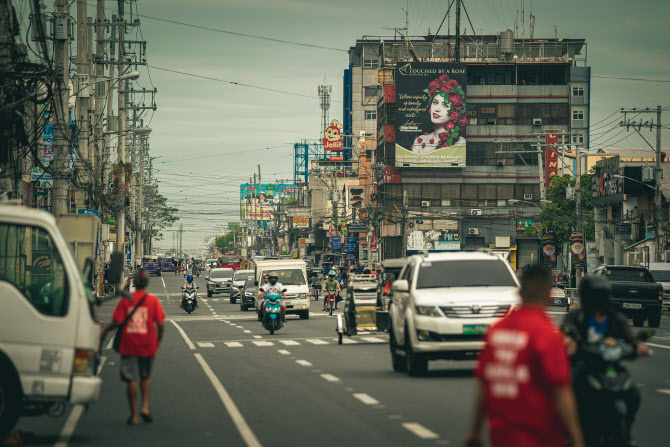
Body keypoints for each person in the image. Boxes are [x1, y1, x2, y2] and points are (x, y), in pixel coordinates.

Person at [464, 264, 585, 447]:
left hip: (501, 435)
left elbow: (483, 386)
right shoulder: (547, 334)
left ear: (520, 293)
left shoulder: (496, 331)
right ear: (549, 297)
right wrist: (578, 439)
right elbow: (561, 392)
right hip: (539, 435)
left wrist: (474, 430)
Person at [562, 276, 649, 445]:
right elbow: (566, 334)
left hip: (609, 366)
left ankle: (627, 433)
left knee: (633, 393)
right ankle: (570, 432)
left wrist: (638, 346)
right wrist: (569, 342)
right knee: (569, 389)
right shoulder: (576, 317)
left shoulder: (615, 318)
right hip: (583, 364)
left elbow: (631, 338)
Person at [100, 269, 165, 426]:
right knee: (145, 376)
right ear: (147, 283)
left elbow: (116, 322)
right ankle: (145, 407)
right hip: (148, 344)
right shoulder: (153, 301)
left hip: (129, 344)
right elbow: (161, 324)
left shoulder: (126, 301)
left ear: (134, 282)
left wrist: (105, 331)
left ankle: (134, 415)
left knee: (131, 379)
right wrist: (159, 339)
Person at [410, 73, 467, 154]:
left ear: (455, 112)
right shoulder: (419, 142)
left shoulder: (460, 143)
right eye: (435, 102)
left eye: (445, 105)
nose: (437, 109)